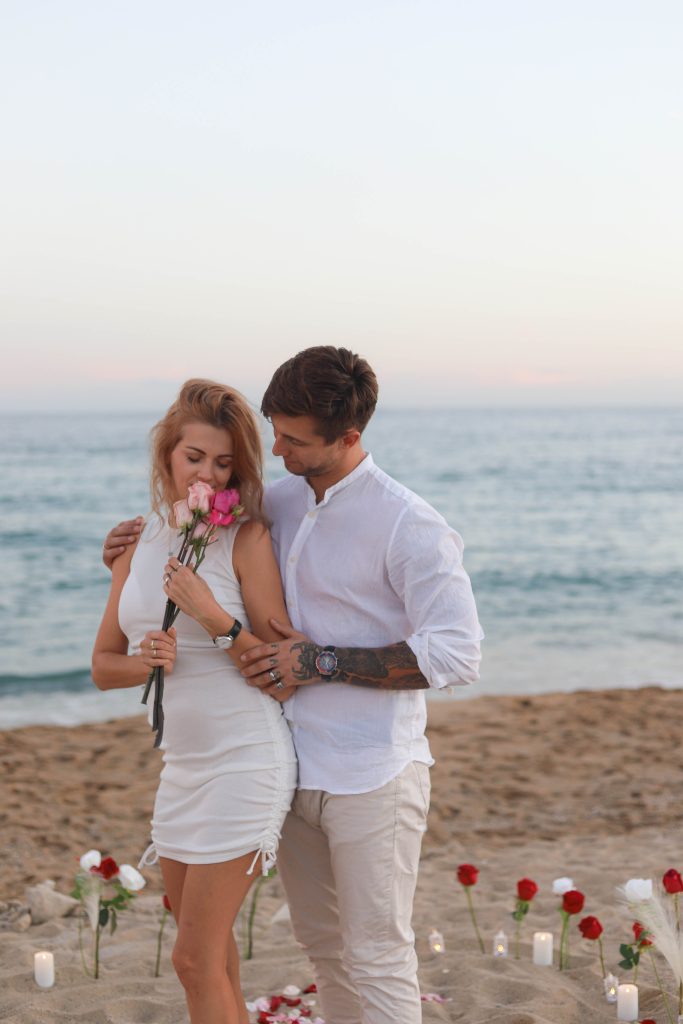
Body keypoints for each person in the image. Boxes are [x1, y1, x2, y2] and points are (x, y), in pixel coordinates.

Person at [104, 348, 483, 1024]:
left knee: (376, 954)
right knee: (325, 951)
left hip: (371, 771)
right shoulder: (273, 502)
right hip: (293, 762)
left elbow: (456, 654)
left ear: (348, 438)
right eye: (273, 430)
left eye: (293, 438)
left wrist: (326, 663)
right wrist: (124, 556)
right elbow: (195, 535)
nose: (274, 449)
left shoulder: (408, 524)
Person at [93, 379, 297, 1024]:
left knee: (191, 959)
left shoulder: (247, 537)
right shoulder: (138, 541)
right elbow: (104, 667)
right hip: (181, 766)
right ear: (167, 458)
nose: (206, 473)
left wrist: (213, 618)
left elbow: (281, 670)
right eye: (193, 458)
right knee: (211, 956)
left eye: (223, 461)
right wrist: (145, 661)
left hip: (245, 758)